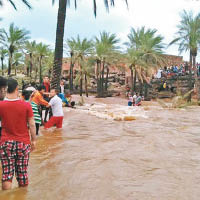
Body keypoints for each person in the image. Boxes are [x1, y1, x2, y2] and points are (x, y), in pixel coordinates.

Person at [0, 78, 36, 190]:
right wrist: (33, 140)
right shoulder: (26, 105)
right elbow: (32, 124)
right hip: (23, 143)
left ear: (6, 89)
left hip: (6, 143)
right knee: (23, 175)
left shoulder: (1, 105)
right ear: (16, 89)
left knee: (7, 175)